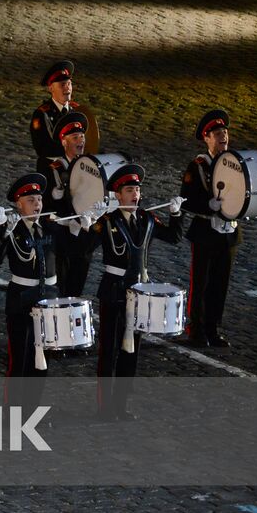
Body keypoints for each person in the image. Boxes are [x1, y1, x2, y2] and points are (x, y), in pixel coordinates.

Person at [80, 165, 183, 420]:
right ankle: (104, 408)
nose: (135, 194)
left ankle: (120, 405)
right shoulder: (108, 221)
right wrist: (89, 224)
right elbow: (84, 250)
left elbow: (173, 237)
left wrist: (177, 214)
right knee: (109, 351)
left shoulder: (147, 219)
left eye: (137, 189)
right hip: (113, 291)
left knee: (131, 351)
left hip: (138, 293)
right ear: (118, 195)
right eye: (129, 190)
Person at [0, 174, 66, 410]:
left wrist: (86, 225)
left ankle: (32, 408)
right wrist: (0, 229)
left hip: (48, 298)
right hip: (21, 299)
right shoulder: (14, 228)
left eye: (39, 199)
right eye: (31, 200)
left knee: (43, 358)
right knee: (19, 358)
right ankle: (13, 410)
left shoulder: (50, 226)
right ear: (19, 204)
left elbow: (79, 249)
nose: (38, 204)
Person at [180, 109, 241, 348]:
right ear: (207, 138)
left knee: (220, 284)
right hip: (205, 233)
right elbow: (185, 199)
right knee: (201, 283)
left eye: (224, 132)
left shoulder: (235, 164)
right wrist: (208, 205)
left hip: (228, 234)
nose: (223, 136)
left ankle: (213, 328)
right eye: (217, 133)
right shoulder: (197, 166)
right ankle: (196, 330)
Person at [43, 111, 93, 297]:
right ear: (64, 142)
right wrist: (55, 197)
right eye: (74, 137)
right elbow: (44, 204)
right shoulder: (55, 169)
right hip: (62, 235)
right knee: (62, 284)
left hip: (84, 231)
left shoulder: (90, 166)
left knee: (78, 281)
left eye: (81, 136)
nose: (80, 140)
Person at [30, 59, 85, 173]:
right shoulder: (42, 114)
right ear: (51, 88)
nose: (67, 88)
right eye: (62, 85)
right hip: (52, 169)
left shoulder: (76, 110)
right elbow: (43, 149)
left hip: (75, 167)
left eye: (69, 84)